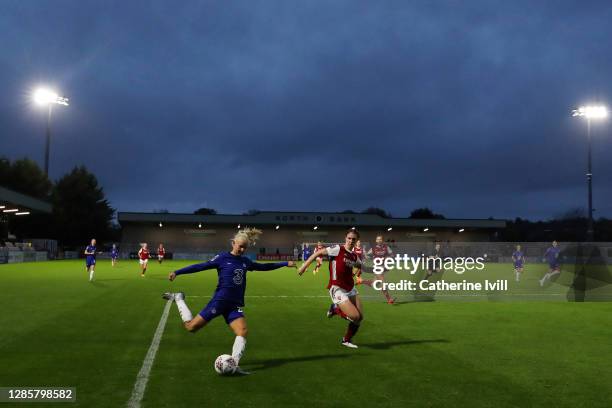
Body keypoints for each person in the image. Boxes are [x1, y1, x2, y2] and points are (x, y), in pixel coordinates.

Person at [162, 228, 296, 374]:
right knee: (191, 327)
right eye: (240, 246)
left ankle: (234, 365)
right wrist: (177, 272)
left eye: (245, 247)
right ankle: (179, 299)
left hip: (234, 305)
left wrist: (284, 263)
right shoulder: (222, 258)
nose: (242, 249)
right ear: (233, 243)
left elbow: (263, 267)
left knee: (243, 331)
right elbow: (200, 266)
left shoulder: (245, 261)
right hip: (219, 301)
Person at [299, 229, 363, 348]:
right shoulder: (338, 249)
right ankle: (335, 309)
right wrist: (304, 266)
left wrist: (359, 273)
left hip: (350, 287)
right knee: (355, 317)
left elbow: (360, 265)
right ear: (345, 238)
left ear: (357, 240)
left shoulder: (354, 256)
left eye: (354, 239)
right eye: (349, 238)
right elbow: (318, 253)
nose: (351, 241)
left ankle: (346, 340)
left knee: (360, 317)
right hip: (337, 288)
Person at [363, 235, 395, 304]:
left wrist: (388, 257)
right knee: (384, 283)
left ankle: (362, 281)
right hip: (377, 267)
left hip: (383, 267)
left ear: (382, 240)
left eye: (380, 239)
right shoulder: (373, 248)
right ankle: (389, 299)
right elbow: (367, 256)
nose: (379, 240)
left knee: (374, 284)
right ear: (376, 241)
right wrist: (365, 253)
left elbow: (392, 255)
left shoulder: (386, 247)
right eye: (378, 239)